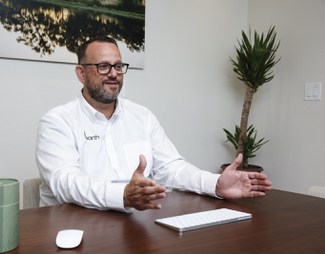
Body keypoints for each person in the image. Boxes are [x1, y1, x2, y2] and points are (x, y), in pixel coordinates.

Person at [35, 35, 272, 212]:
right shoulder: (58, 121)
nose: (114, 74)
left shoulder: (142, 116)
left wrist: (215, 183)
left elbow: (171, 167)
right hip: (74, 225)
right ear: (81, 73)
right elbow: (65, 183)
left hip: (137, 221)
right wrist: (123, 195)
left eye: (118, 66)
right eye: (103, 66)